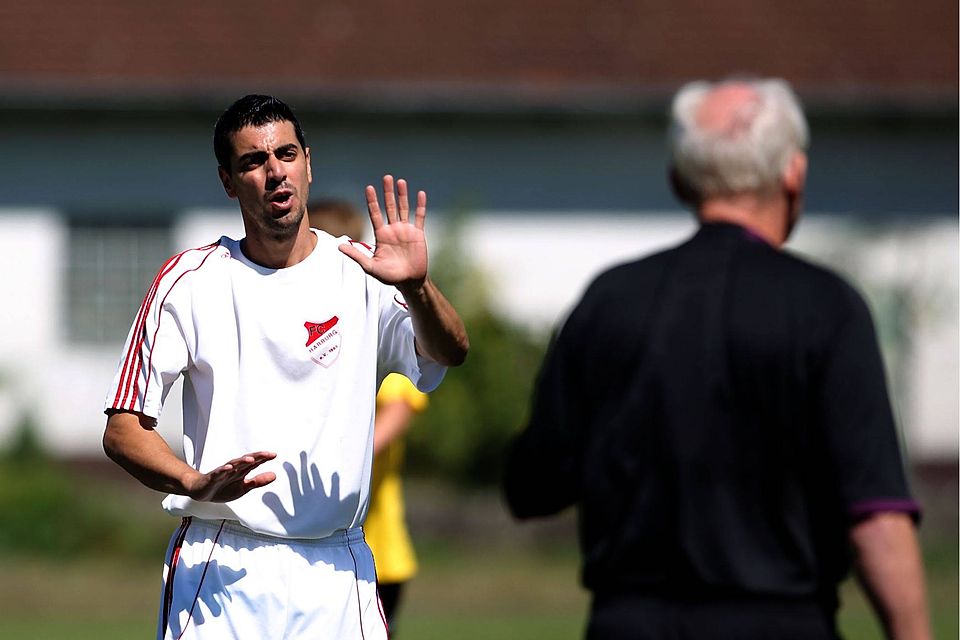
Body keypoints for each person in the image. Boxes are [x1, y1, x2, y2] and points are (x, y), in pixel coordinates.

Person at [503, 78, 930, 639]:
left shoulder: (611, 301)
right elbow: (875, 515)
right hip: (780, 623)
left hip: (629, 623)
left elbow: (534, 485)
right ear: (794, 173)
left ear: (679, 180)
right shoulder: (827, 308)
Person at [102, 94, 468, 640]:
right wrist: (193, 481)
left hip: (338, 566)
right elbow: (123, 428)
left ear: (308, 162)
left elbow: (448, 352)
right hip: (224, 562)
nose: (275, 172)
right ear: (228, 181)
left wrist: (417, 286)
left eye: (287, 154)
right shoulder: (190, 281)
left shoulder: (363, 272)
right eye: (253, 161)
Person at [308, 199, 428, 632]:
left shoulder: (371, 326)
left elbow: (398, 409)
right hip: (310, 536)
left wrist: (338, 445)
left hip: (376, 545)